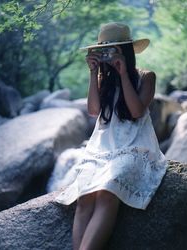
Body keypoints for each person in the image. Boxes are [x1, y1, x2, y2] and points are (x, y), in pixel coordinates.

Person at [55, 22, 167, 250]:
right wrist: (93, 72)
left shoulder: (146, 77)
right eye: (103, 50)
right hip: (102, 148)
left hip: (136, 147)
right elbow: (93, 110)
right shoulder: (102, 80)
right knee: (85, 196)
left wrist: (124, 73)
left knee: (108, 190)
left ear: (125, 51)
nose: (108, 54)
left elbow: (136, 111)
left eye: (113, 49)